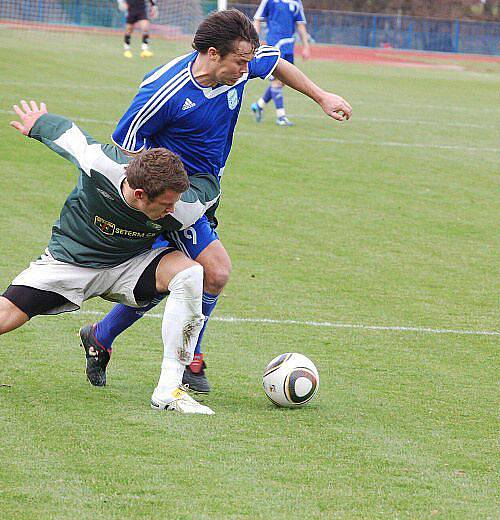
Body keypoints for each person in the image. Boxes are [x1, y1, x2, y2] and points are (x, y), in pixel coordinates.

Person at [80, 9, 351, 393]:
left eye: (247, 61)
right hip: (172, 200)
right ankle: (190, 360)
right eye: (240, 62)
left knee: (171, 280)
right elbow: (126, 147)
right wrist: (157, 202)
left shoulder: (239, 64)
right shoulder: (165, 90)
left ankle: (101, 337)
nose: (246, 69)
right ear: (212, 53)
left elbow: (277, 65)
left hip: (207, 194)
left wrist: (322, 96)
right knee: (215, 271)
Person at [0, 100, 220, 415]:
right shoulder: (100, 164)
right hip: (69, 264)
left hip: (129, 267)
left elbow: (209, 192)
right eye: (165, 204)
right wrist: (38, 123)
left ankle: (168, 390)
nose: (172, 210)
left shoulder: (184, 206)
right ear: (138, 195)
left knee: (189, 273)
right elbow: (69, 136)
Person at [250, 0, 311, 126]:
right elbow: (257, 18)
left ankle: (259, 105)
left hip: (289, 45)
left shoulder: (296, 2)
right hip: (275, 45)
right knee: (277, 82)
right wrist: (255, 40)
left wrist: (306, 46)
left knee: (284, 81)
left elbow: (300, 24)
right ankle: (281, 116)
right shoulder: (270, 1)